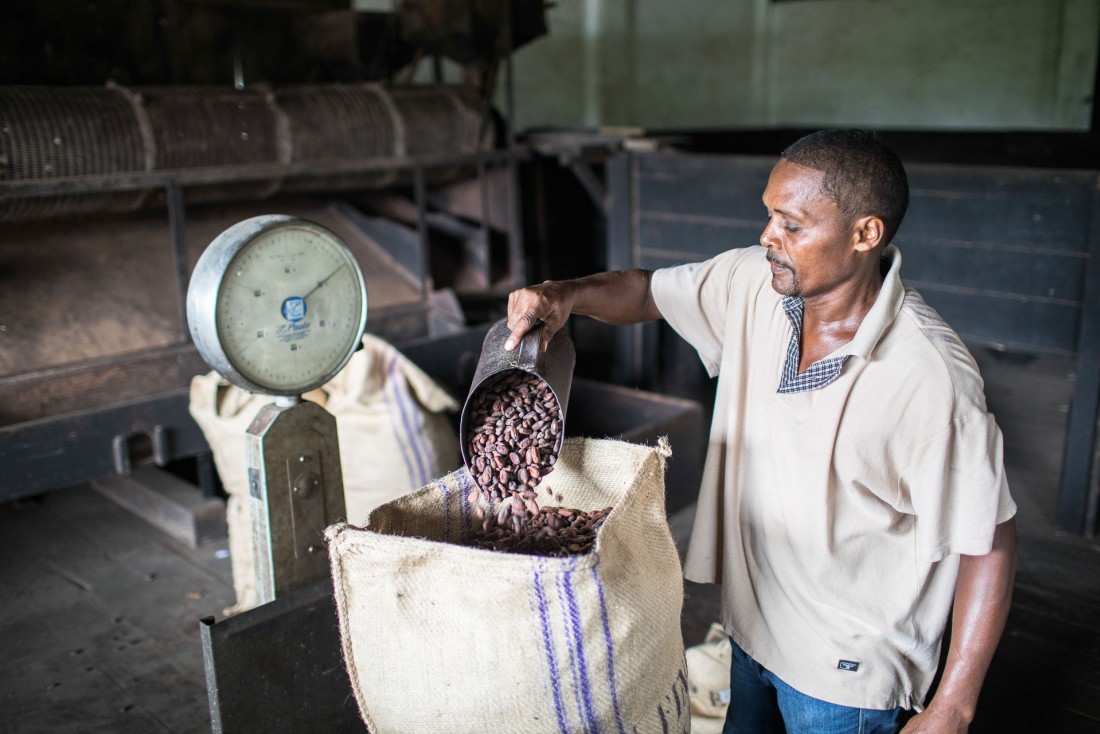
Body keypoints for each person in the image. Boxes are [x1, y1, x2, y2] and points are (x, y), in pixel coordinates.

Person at [503, 129, 1018, 734]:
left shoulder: (929, 376)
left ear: (865, 234)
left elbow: (988, 537)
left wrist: (953, 705)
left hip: (843, 673)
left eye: (792, 225)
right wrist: (564, 296)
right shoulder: (756, 286)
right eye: (769, 214)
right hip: (752, 629)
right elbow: (646, 292)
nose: (767, 237)